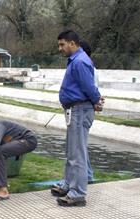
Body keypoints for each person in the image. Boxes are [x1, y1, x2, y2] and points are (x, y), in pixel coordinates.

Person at [51, 30, 104, 207]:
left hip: (80, 110)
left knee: (77, 154)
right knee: (71, 152)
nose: (60, 48)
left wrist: (96, 100)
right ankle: (68, 184)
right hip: (75, 110)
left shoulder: (80, 62)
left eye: (62, 44)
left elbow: (89, 87)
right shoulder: (75, 60)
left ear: (73, 43)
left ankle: (78, 193)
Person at [79, 39, 99, 182]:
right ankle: (88, 174)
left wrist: (96, 101)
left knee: (79, 146)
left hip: (83, 110)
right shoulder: (86, 65)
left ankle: (87, 175)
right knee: (81, 145)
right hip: (83, 109)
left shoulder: (84, 66)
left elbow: (90, 89)